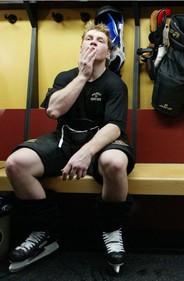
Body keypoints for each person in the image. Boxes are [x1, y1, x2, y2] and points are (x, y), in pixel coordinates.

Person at [5, 22, 135, 273]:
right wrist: (82, 76)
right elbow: (54, 111)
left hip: (102, 141)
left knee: (115, 163)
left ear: (108, 53)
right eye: (89, 39)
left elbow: (114, 127)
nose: (93, 42)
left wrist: (86, 152)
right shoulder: (65, 77)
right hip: (65, 138)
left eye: (100, 40)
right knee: (16, 164)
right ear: (82, 46)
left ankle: (111, 230)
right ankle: (43, 231)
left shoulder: (114, 84)